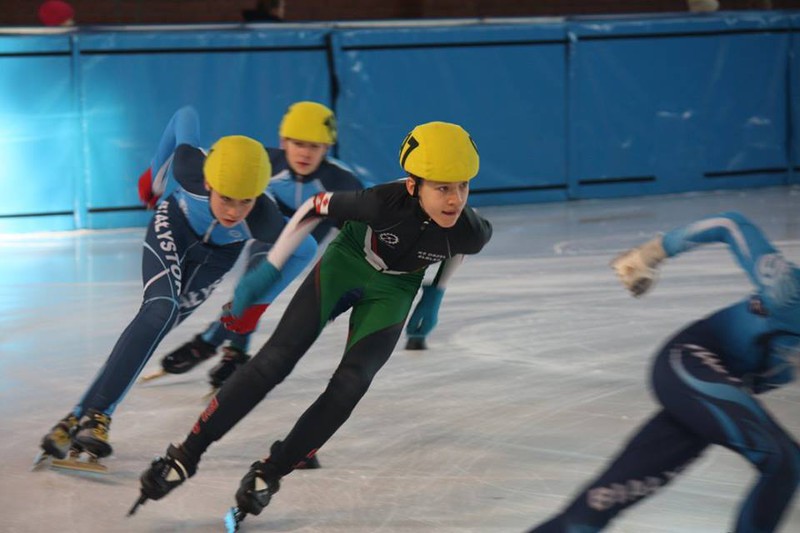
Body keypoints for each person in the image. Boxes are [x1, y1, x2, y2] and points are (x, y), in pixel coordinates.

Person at [131, 121, 492, 522]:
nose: (455, 199)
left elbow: (458, 245)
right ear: (413, 185)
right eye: (442, 188)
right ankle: (186, 455)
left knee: (351, 385)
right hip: (348, 263)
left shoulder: (470, 229)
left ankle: (272, 470)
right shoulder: (378, 203)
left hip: (395, 289)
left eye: (462, 186)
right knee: (274, 361)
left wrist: (435, 294)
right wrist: (269, 270)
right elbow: (312, 207)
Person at [38, 107, 317, 463]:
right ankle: (99, 414)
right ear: (209, 184)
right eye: (226, 198)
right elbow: (185, 116)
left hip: (217, 258)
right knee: (159, 310)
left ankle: (80, 416)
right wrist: (156, 177)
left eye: (245, 201)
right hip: (175, 228)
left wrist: (257, 301)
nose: (233, 211)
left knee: (156, 327)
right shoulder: (189, 168)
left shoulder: (263, 218)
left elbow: (304, 248)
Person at [529, 212, 800, 533]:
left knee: (594, 509)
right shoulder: (789, 291)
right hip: (691, 363)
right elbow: (729, 225)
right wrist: (650, 255)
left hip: (712, 396)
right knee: (783, 461)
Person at [152, 102, 365, 402]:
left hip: (300, 243)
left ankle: (215, 341)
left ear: (328, 147)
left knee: (256, 286)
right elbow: (216, 163)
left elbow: (367, 222)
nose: (304, 153)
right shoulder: (263, 161)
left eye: (314, 146)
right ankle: (230, 349)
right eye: (298, 143)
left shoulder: (342, 182)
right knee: (254, 277)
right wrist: (157, 178)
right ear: (283, 142)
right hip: (266, 231)